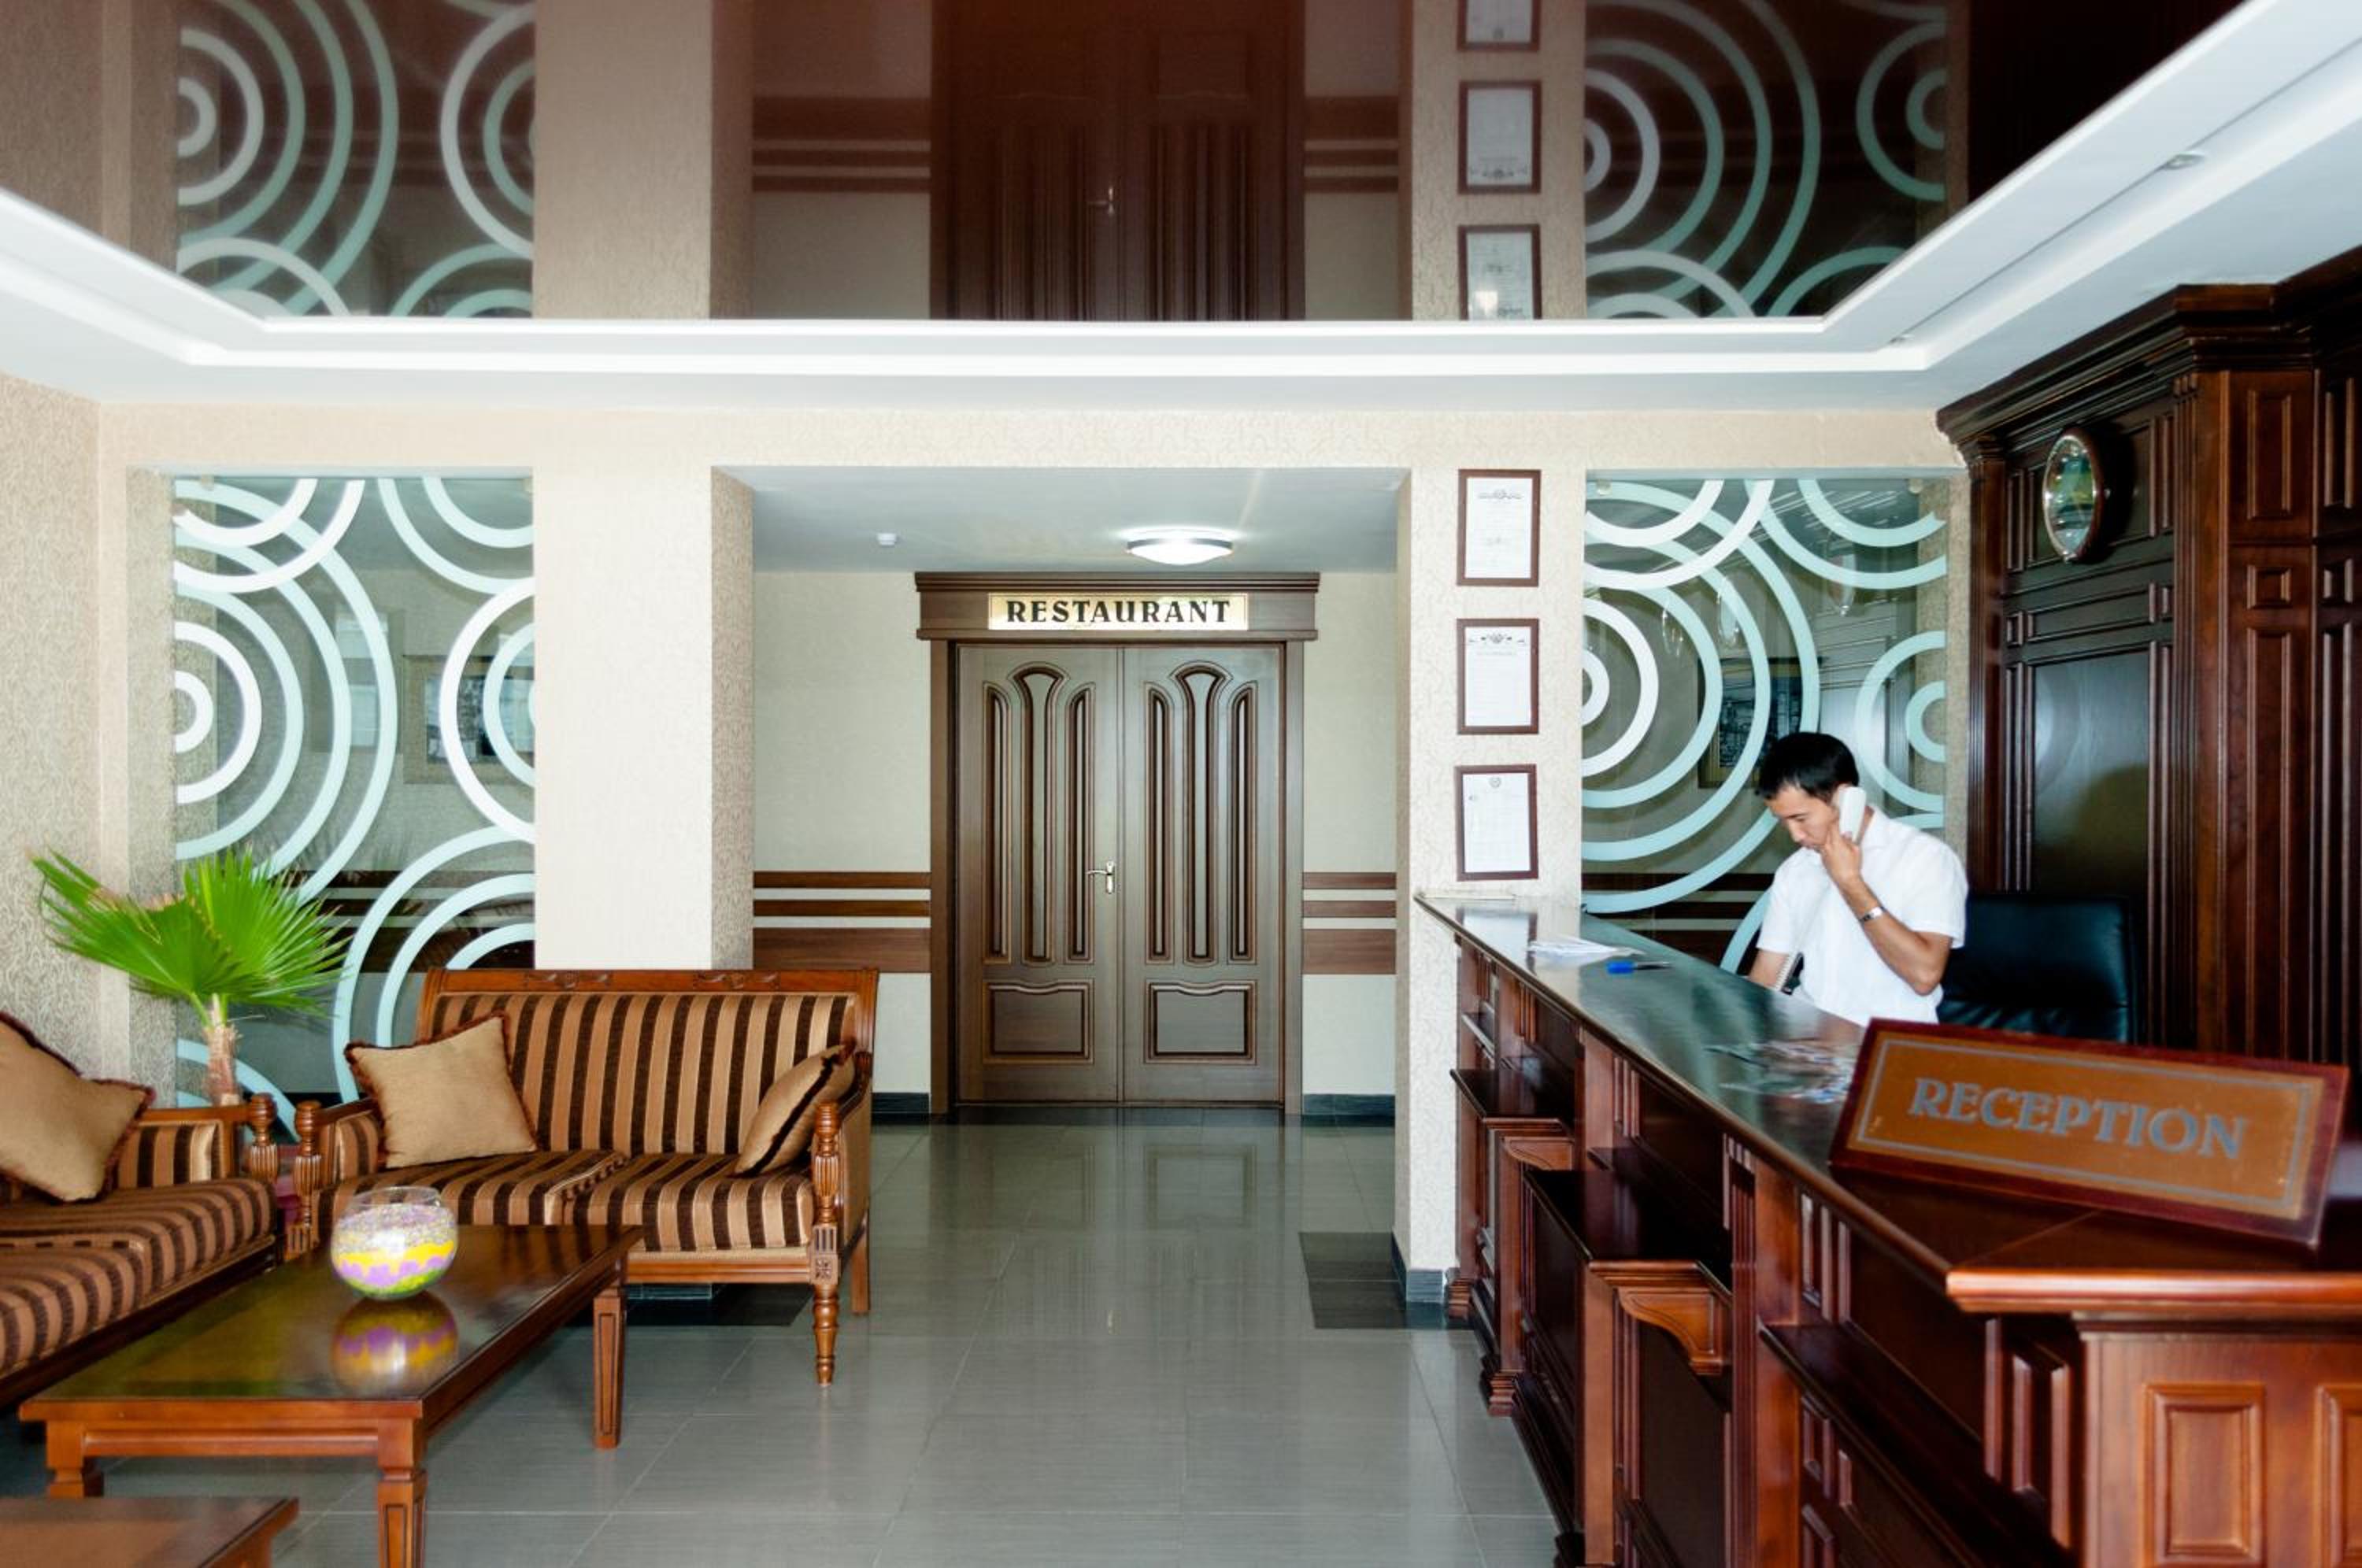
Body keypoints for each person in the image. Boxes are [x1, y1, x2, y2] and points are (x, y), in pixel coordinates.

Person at [1745, 731, 1966, 1026]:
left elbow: (1924, 976)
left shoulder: (1926, 858)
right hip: (1806, 1038)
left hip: (1886, 1041)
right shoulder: (1795, 870)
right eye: (1783, 821)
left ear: (1845, 797)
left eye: (1800, 819)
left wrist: (1851, 884)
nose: (1795, 835)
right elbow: (1768, 974)